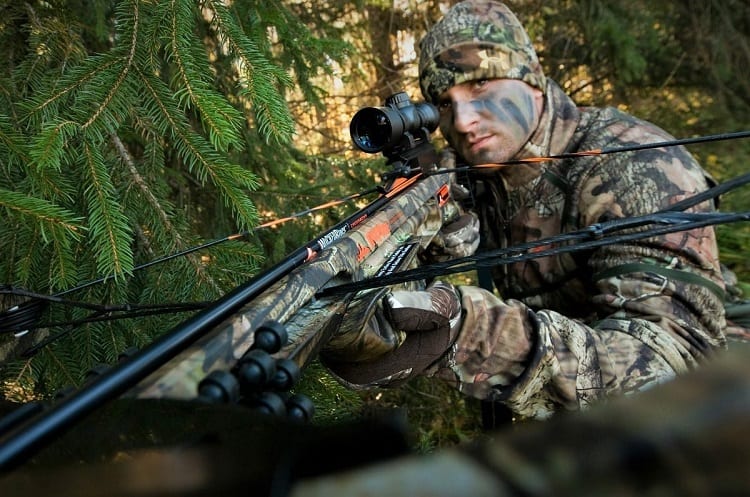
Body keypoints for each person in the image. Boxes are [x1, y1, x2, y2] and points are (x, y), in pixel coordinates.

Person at [321, 0, 728, 420]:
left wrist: (468, 334)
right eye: (444, 103)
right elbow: (417, 238)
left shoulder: (635, 165)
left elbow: (673, 368)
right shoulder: (469, 168)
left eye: (480, 87)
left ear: (530, 79)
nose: (463, 120)